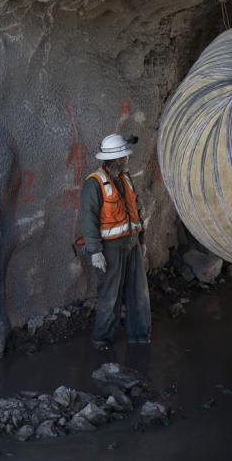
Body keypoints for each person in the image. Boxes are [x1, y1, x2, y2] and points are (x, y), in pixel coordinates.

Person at [78, 133, 151, 350]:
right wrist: (95, 251)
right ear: (117, 159)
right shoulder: (94, 183)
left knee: (139, 293)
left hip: (132, 244)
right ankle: (102, 339)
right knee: (110, 294)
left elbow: (136, 210)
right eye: (125, 156)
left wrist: (142, 240)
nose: (128, 158)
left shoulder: (125, 178)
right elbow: (88, 218)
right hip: (110, 248)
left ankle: (140, 336)